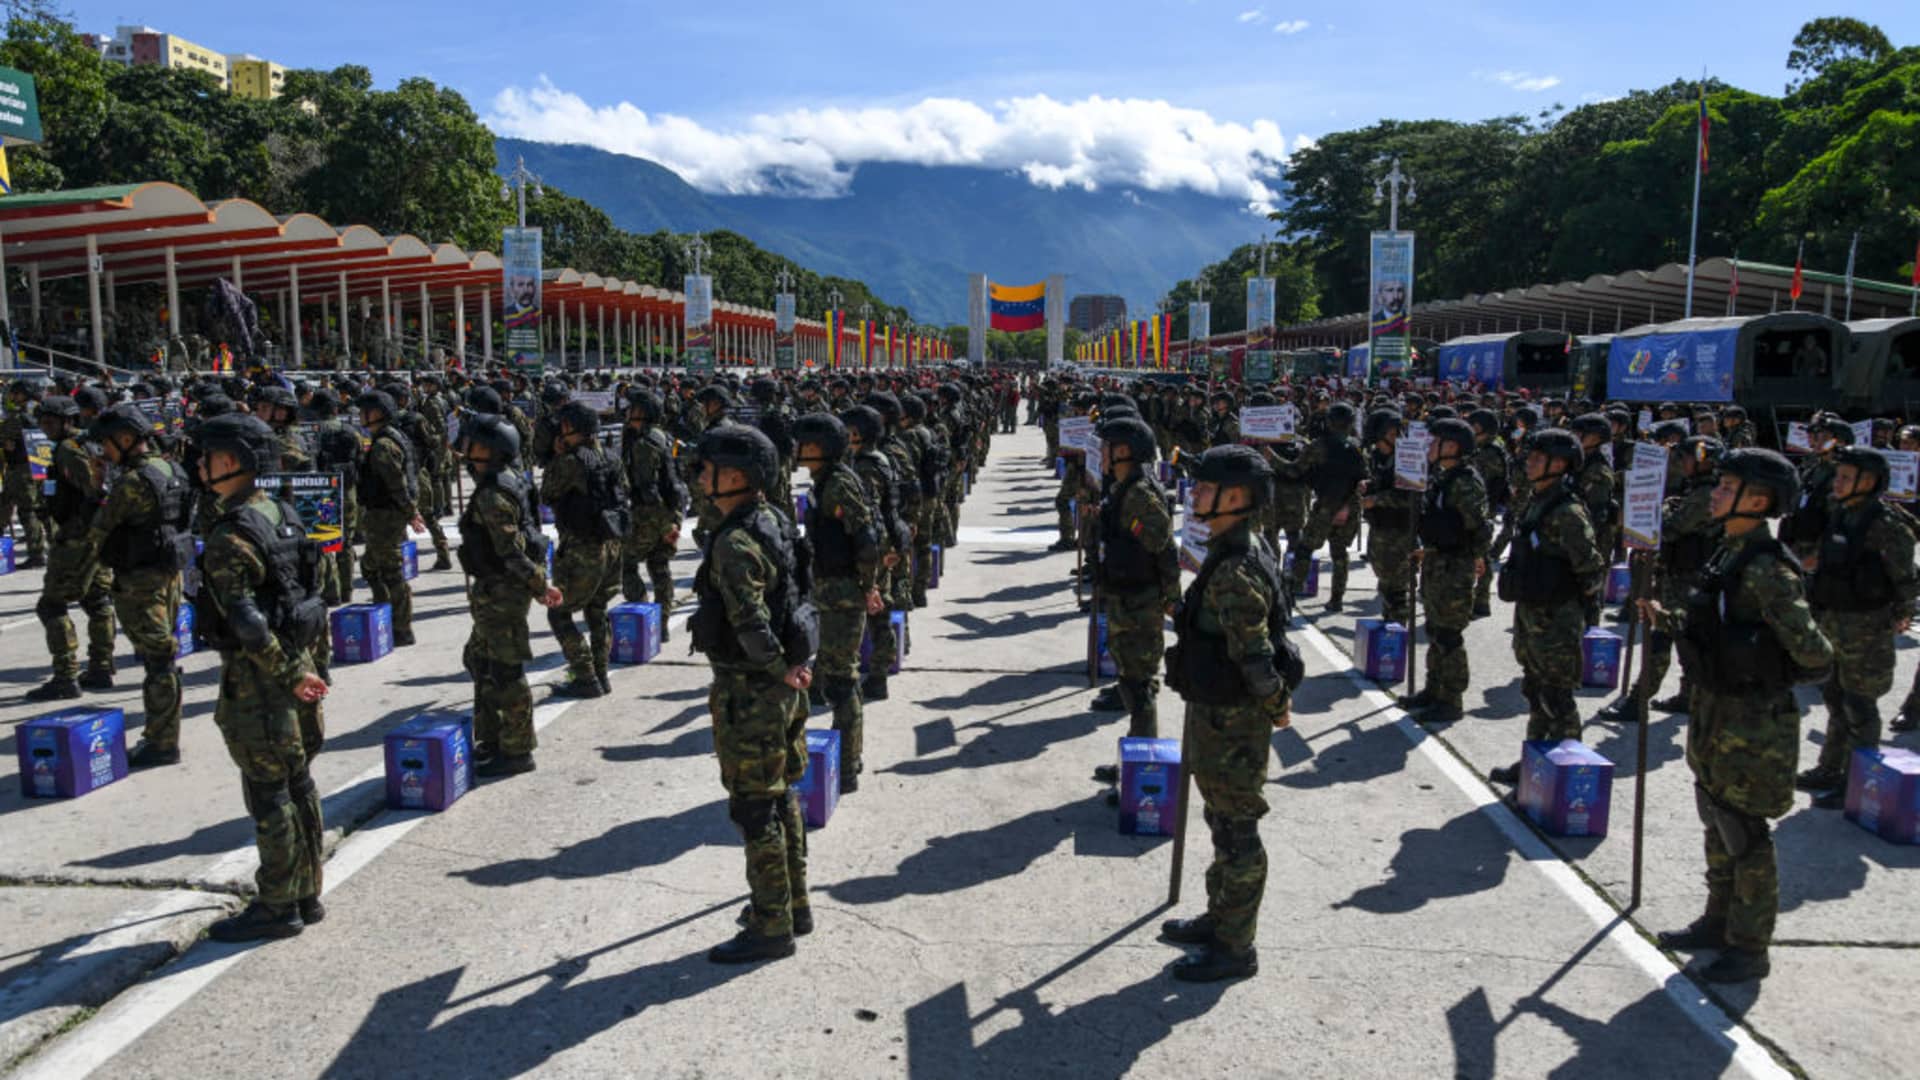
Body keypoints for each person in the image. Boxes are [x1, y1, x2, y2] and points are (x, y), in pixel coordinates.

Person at [1646, 449, 1833, 983]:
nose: (1716, 495)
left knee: (1744, 833)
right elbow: (1711, 621)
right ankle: (1717, 920)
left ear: (1759, 500)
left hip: (1752, 722)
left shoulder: (1767, 569)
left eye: (1727, 488)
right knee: (1714, 817)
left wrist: (1758, 669)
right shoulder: (1726, 555)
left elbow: (1816, 655)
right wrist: (1669, 618)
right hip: (1714, 710)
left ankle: (1749, 948)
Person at [1160, 444, 1300, 982]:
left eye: (1205, 487)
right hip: (1214, 711)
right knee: (1220, 821)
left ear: (1236, 497)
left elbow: (1255, 652)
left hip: (1233, 721)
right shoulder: (1235, 548)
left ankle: (1236, 947)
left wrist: (1276, 706)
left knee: (1238, 830)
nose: (1193, 493)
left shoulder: (1236, 567)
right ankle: (1221, 918)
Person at [192, 414, 332, 941]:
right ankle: (305, 891)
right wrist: (310, 667)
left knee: (270, 790)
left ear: (230, 462)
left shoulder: (232, 534)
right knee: (299, 785)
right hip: (300, 667)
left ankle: (278, 904)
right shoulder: (283, 514)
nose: (202, 467)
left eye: (208, 457)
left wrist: (291, 673)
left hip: (263, 681)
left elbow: (248, 623)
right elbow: (314, 596)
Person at [688, 424, 818, 964]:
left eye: (708, 469)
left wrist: (774, 667)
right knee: (781, 794)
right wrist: (790, 668)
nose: (700, 477)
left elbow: (749, 618)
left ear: (735, 476)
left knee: (753, 807)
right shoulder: (773, 521)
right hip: (781, 685)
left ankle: (770, 926)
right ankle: (791, 904)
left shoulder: (735, 540)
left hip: (752, 689)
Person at [1796, 446, 1917, 805]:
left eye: (1846, 477)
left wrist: (1903, 611)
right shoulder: (1841, 513)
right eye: (1839, 475)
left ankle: (1857, 782)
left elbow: (1905, 575)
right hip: (1834, 620)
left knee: (1860, 706)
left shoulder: (1886, 524)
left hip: (1867, 628)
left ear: (1869, 482)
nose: (1838, 482)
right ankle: (1830, 768)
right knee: (1834, 696)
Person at [1489, 429, 1603, 786]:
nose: (1530, 462)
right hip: (1532, 614)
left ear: (1560, 465)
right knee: (1536, 691)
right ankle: (1535, 763)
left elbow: (1591, 567)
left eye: (1539, 458)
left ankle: (1569, 776)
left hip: (1556, 618)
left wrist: (1577, 609)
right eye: (1531, 456)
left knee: (1557, 697)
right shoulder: (1538, 501)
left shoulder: (1567, 510)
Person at [83, 405, 193, 768]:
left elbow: (99, 529)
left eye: (108, 444)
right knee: (164, 655)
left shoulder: (131, 482)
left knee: (158, 660)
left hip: (141, 582)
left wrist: (96, 488)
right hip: (169, 574)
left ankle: (161, 741)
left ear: (127, 439)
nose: (105, 452)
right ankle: (165, 735)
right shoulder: (171, 469)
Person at [458, 414, 564, 777]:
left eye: (475, 447)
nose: (468, 453)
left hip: (504, 590)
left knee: (506, 670)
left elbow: (511, 551)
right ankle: (492, 737)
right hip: (495, 589)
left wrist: (540, 586)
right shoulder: (507, 481)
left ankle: (517, 750)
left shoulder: (493, 494)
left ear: (492, 451)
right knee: (481, 661)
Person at [793, 413, 880, 792]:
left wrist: (868, 587)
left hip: (844, 593)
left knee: (844, 680)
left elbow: (866, 541)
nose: (800, 450)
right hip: (826, 587)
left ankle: (847, 764)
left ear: (823, 449)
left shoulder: (840, 483)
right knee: (830, 669)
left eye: (806, 445)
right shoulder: (823, 481)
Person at [1088, 416, 1179, 770]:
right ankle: (1135, 757)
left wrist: (1171, 598)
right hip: (1125, 597)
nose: (1103, 454)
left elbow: (1163, 546)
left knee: (1140, 688)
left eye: (1108, 447)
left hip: (1141, 603)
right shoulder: (1122, 488)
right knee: (1130, 682)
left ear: (1123, 450)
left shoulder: (1139, 494)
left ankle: (1142, 766)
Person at [1398, 419, 1489, 724]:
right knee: (1435, 630)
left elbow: (1475, 528)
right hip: (1438, 564)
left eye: (1435, 441)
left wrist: (1474, 556)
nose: (1429, 446)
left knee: (1449, 635)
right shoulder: (1443, 478)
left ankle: (1451, 700)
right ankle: (1433, 690)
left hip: (1455, 568)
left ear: (1452, 446)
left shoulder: (1465, 482)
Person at [28, 395, 116, 701]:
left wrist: (78, 527)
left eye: (50, 422)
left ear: (68, 421)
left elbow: (96, 489)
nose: (45, 427)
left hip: (78, 539)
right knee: (98, 601)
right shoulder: (89, 443)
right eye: (42, 422)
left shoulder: (70, 449)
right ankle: (101, 667)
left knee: (51, 605)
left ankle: (65, 675)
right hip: (95, 536)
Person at [542, 400, 630, 698]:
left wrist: (557, 456)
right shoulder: (611, 457)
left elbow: (548, 492)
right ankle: (602, 674)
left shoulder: (569, 461)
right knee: (597, 610)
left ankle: (584, 674)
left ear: (570, 428)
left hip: (582, 547)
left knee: (559, 613)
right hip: (612, 543)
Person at [355, 391, 422, 646]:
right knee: (372, 567)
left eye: (366, 411)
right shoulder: (389, 437)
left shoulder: (384, 444)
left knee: (390, 572)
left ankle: (401, 627)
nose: (362, 416)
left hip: (385, 515)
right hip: (384, 513)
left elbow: (396, 483)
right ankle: (386, 613)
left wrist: (410, 512)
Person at [1284, 402, 1366, 611]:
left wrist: (1271, 458)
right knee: (1340, 553)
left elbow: (1295, 471)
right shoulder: (1357, 447)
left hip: (1327, 506)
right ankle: (1336, 599)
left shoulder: (1319, 446)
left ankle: (1292, 593)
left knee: (1304, 549)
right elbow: (1363, 481)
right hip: (1351, 505)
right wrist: (1347, 506)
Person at [619, 390, 685, 629]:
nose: (627, 412)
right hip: (669, 509)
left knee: (626, 563)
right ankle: (662, 622)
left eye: (633, 408)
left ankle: (644, 614)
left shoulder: (644, 444)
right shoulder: (661, 436)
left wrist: (666, 524)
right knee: (659, 566)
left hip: (651, 513)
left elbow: (648, 488)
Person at [1362, 409, 1418, 625]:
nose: (1397, 437)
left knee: (1397, 588)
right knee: (1385, 583)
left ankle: (1398, 634)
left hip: (1400, 530)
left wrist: (1377, 499)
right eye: (1392, 433)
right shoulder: (1377, 457)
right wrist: (1368, 485)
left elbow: (1409, 495)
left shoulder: (1406, 457)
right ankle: (1390, 625)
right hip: (1380, 527)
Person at [0, 379, 47, 569]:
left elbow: (4, 437)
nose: (12, 397)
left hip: (20, 468)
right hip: (39, 465)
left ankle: (36, 554)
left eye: (16, 393)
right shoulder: (42, 411)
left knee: (27, 511)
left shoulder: (18, 416)